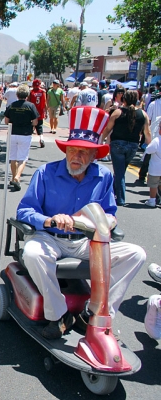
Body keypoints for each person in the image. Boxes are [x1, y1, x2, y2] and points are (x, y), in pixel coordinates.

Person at [17, 106, 146, 339]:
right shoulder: (46, 173)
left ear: (95, 156)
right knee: (33, 253)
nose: (76, 156)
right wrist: (48, 220)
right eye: (72, 150)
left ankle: (95, 312)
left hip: (87, 241)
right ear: (65, 151)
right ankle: (59, 314)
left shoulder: (104, 176)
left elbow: (110, 212)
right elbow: (25, 210)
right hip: (50, 238)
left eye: (84, 152)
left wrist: (105, 221)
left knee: (136, 254)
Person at [100, 90, 152, 206]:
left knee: (119, 172)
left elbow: (108, 128)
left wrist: (101, 139)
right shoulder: (143, 114)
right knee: (121, 170)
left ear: (124, 99)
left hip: (118, 144)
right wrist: (150, 147)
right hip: (133, 146)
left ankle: (121, 198)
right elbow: (147, 133)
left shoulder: (118, 112)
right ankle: (111, 191)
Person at [5, 84, 39, 192]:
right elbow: (35, 121)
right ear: (27, 95)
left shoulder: (12, 105)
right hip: (25, 133)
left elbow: (6, 121)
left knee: (13, 157)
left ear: (17, 94)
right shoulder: (30, 106)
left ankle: (13, 177)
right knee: (23, 158)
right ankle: (17, 177)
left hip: (13, 133)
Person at [142, 119, 161, 207]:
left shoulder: (157, 140)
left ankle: (152, 200)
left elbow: (149, 150)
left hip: (156, 167)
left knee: (153, 184)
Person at [27, 79, 47, 148]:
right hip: (40, 112)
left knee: (31, 126)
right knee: (40, 126)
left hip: (32, 111)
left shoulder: (31, 92)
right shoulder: (43, 92)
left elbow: (28, 101)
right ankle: (41, 138)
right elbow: (45, 103)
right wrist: (46, 112)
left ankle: (28, 141)